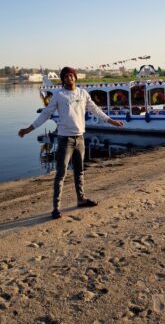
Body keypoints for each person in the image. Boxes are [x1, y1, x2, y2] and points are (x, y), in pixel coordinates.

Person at [19, 66, 124, 219]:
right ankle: (56, 207)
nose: (69, 78)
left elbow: (95, 109)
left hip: (80, 139)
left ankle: (81, 199)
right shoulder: (58, 95)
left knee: (80, 172)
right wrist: (29, 129)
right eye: (66, 76)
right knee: (60, 174)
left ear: (75, 77)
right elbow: (46, 114)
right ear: (63, 79)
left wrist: (110, 120)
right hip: (64, 140)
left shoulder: (83, 93)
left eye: (71, 75)